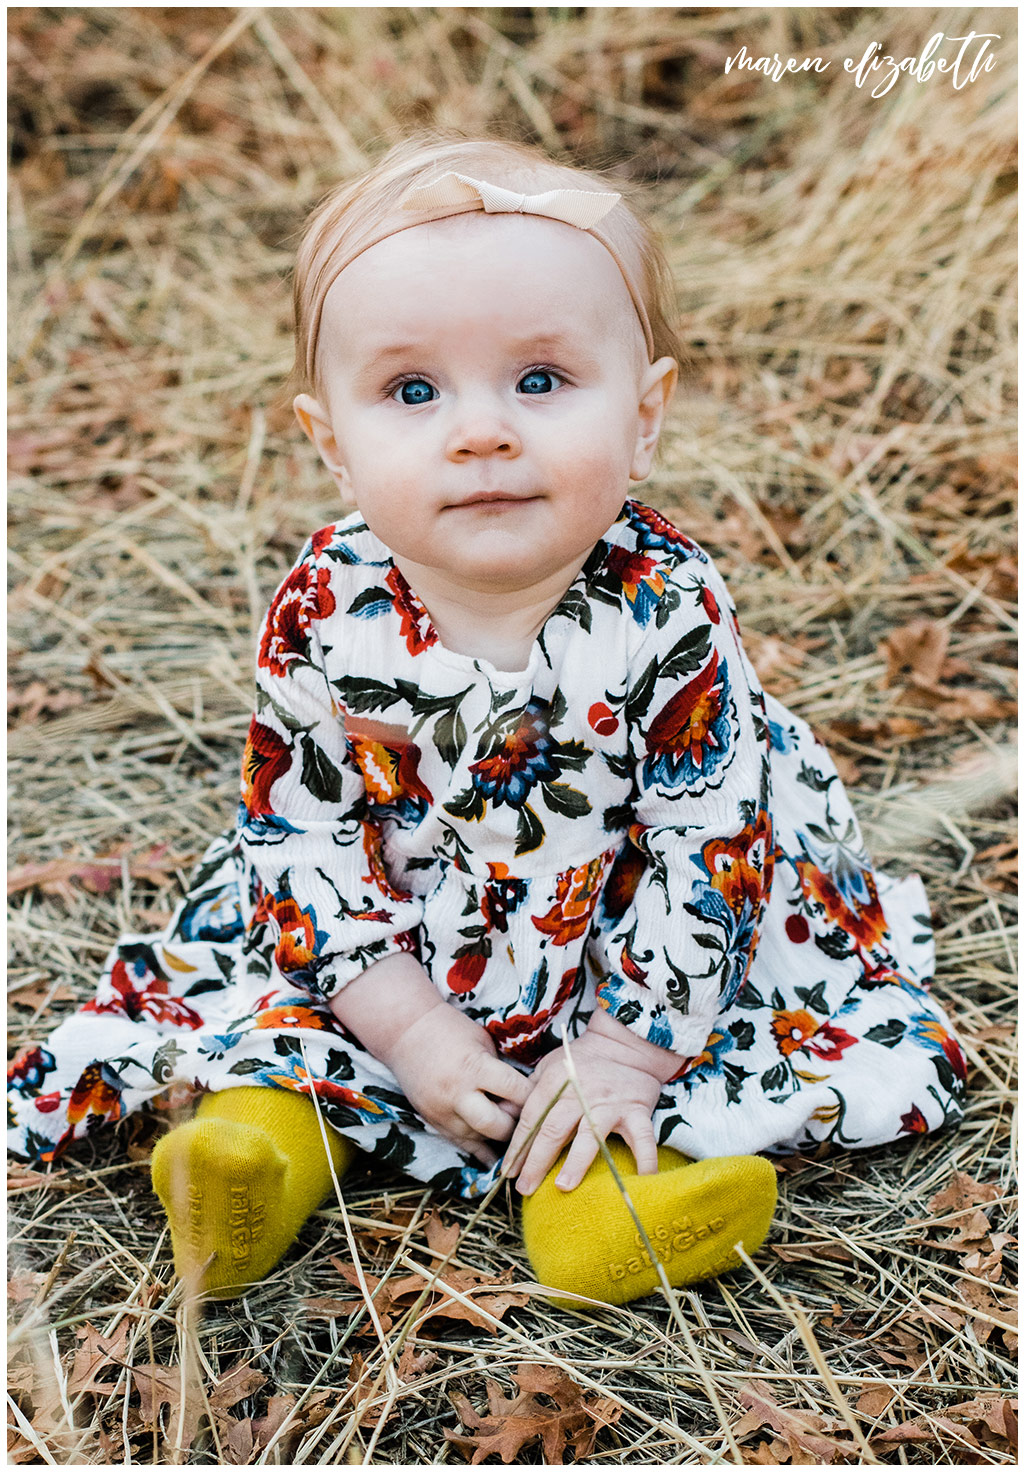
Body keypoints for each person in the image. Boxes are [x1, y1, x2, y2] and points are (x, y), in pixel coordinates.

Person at [8, 135, 966, 1304]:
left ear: (646, 415)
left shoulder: (667, 612)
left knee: (674, 1065)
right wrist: (409, 1027)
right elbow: (299, 837)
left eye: (540, 380)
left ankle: (604, 1198)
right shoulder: (324, 608)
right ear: (333, 446)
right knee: (283, 1013)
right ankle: (257, 1154)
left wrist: (622, 1049)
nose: (481, 430)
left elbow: (705, 852)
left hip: (630, 941)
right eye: (413, 392)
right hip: (399, 925)